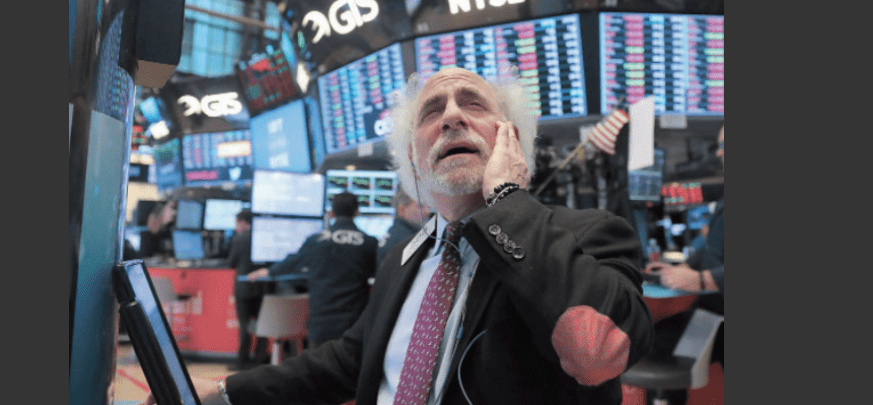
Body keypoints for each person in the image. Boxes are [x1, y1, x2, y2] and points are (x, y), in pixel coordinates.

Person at [145, 66, 652, 405]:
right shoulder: (407, 258)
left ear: (511, 138)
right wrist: (224, 392)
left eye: (472, 104)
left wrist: (507, 199)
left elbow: (595, 354)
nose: (451, 116)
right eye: (432, 112)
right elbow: (350, 361)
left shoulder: (588, 235)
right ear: (413, 156)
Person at [643, 125, 724, 404]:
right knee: (653, 342)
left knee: (654, 347)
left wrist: (702, 280)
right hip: (711, 312)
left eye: (724, 146)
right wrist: (686, 268)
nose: (719, 153)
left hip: (720, 317)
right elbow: (715, 247)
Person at [247, 191, 378, 348]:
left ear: (331, 213)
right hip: (355, 325)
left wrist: (269, 271)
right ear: (357, 212)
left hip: (322, 324)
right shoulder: (369, 243)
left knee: (319, 362)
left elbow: (294, 261)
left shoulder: (316, 241)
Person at [225, 210, 271, 369]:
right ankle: (259, 360)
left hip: (244, 290)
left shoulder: (239, 239)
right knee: (261, 326)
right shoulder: (264, 238)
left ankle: (242, 362)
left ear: (243, 223)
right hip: (262, 288)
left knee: (244, 327)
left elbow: (231, 263)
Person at [376, 186, 429, 268]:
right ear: (402, 210)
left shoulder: (395, 234)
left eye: (428, 206)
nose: (427, 211)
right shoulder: (407, 240)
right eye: (420, 206)